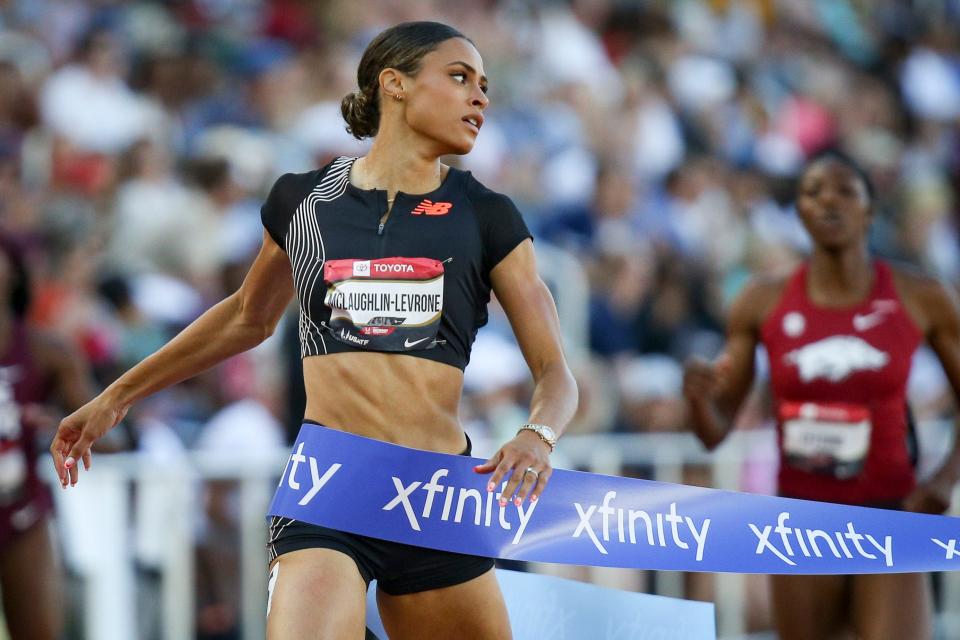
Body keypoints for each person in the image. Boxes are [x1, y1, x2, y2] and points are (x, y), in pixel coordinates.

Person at [50, 21, 577, 640]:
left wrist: (539, 435)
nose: (480, 97)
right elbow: (247, 316)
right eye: (460, 78)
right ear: (395, 85)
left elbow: (555, 373)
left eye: (485, 85)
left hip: (436, 494)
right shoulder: (308, 201)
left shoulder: (486, 214)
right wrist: (116, 396)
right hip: (331, 484)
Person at [683, 150, 960, 640]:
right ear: (799, 211)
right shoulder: (760, 299)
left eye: (845, 191)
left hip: (888, 515)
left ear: (870, 209)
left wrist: (944, 478)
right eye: (812, 192)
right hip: (802, 522)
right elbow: (713, 433)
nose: (828, 201)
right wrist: (697, 398)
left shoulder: (921, 296)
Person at [0, 237, 94, 640]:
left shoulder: (46, 350)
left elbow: (114, 435)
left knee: (37, 630)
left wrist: (59, 424)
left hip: (20, 511)